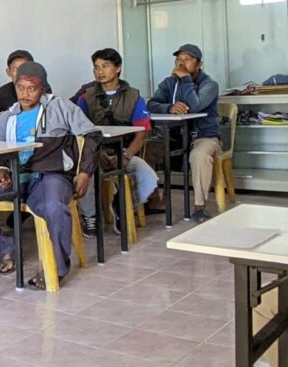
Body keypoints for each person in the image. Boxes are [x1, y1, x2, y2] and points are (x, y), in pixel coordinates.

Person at [0, 61, 99, 283]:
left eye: (32, 89)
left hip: (51, 175)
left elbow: (91, 136)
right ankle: (3, 249)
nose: (25, 94)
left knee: (53, 207)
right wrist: (1, 171)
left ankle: (55, 268)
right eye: (20, 87)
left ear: (42, 89)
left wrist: (85, 172)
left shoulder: (60, 107)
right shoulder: (7, 118)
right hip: (17, 179)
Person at [74, 48, 159, 228]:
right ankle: (90, 217)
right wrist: (98, 153)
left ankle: (123, 208)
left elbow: (141, 134)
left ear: (118, 68)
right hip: (94, 153)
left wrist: (126, 156)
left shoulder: (134, 97)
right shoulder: (86, 97)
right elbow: (79, 132)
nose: (100, 71)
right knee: (86, 171)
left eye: (105, 66)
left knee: (148, 177)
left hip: (124, 152)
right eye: (96, 67)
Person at [145, 43, 221, 221]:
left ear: (199, 64)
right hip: (174, 136)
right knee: (146, 149)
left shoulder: (210, 84)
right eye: (178, 59)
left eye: (187, 59)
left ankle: (199, 207)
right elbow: (152, 104)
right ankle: (154, 200)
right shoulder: (169, 83)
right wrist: (169, 107)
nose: (181, 63)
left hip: (203, 136)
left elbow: (195, 106)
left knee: (199, 155)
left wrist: (186, 79)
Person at [0, 49, 35, 126]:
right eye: (16, 69)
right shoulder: (2, 93)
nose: (21, 73)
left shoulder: (42, 89)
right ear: (8, 72)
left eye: (25, 68)